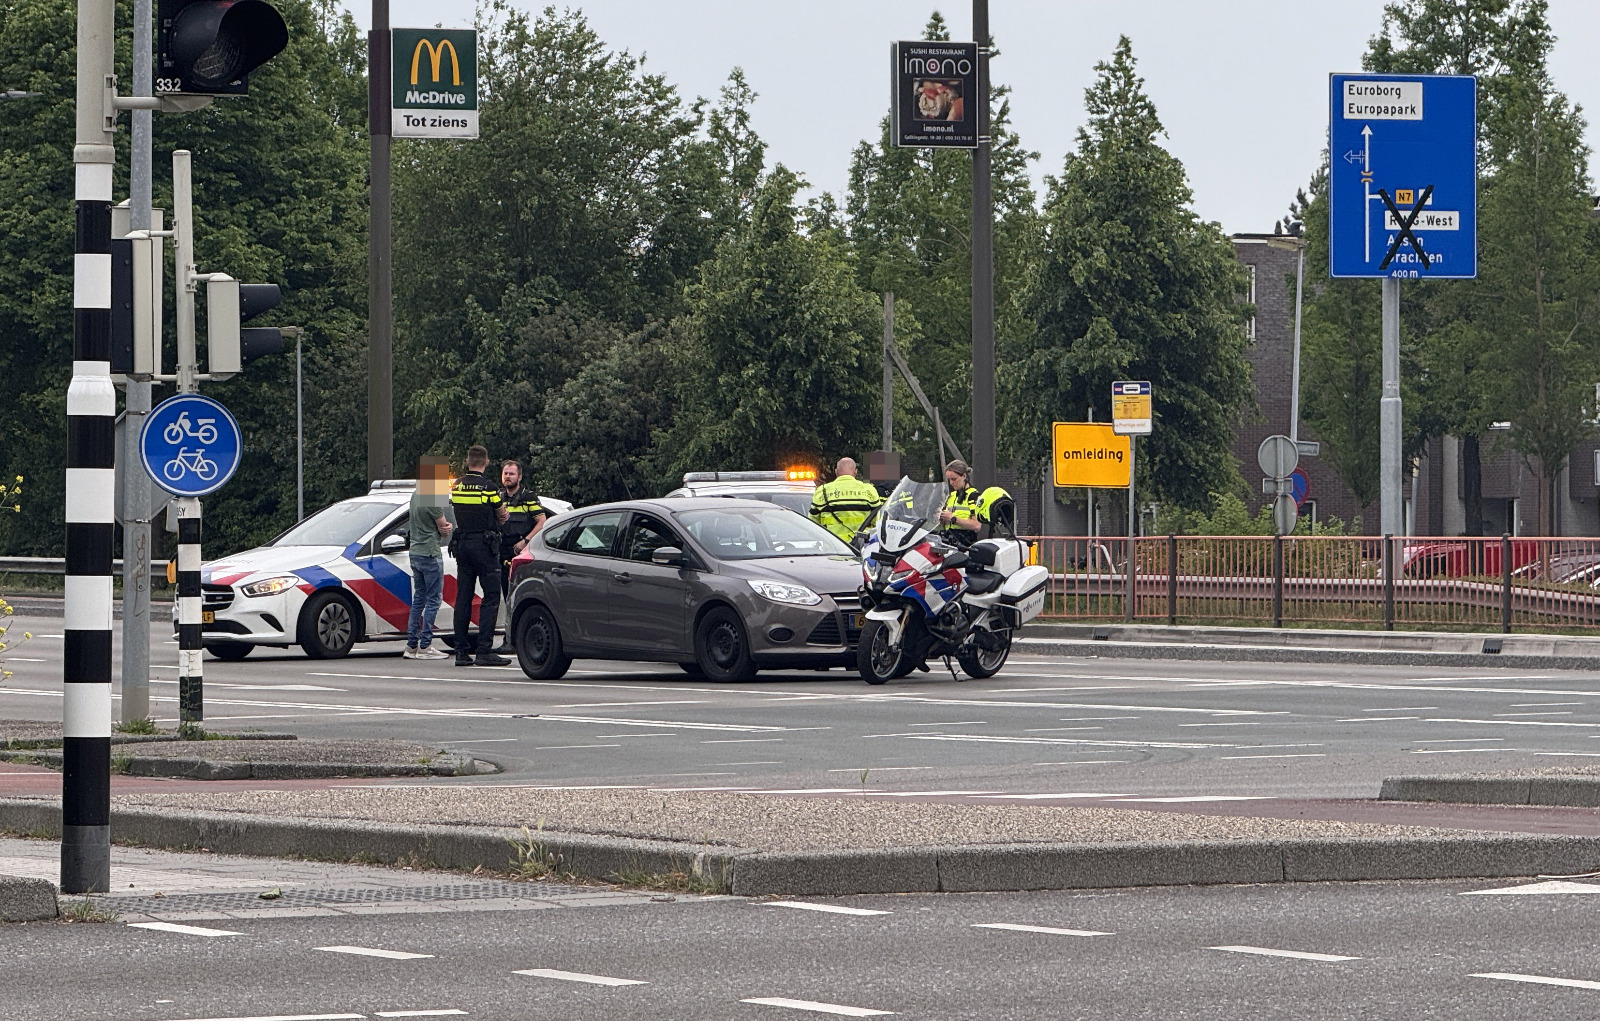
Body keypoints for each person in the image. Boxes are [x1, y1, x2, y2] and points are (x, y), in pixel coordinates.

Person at [450, 445, 509, 666]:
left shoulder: (457, 486)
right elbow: (502, 515)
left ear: (467, 461)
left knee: (463, 597)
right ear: (486, 462)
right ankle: (484, 650)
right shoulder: (488, 487)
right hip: (484, 546)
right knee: (491, 596)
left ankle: (461, 652)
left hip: (463, 545)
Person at [403, 455, 455, 660]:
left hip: (415, 552)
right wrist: (448, 527)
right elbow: (443, 527)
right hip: (430, 552)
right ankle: (425, 645)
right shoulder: (432, 497)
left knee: (419, 598)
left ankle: (411, 646)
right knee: (434, 599)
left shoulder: (415, 494)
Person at [495, 460, 547, 652]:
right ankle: (509, 640)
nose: (508, 477)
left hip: (521, 553)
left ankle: (515, 640)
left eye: (511, 473)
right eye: (505, 473)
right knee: (507, 598)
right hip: (502, 552)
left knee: (518, 598)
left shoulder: (528, 497)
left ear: (519, 476)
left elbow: (542, 521)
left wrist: (526, 541)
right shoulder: (498, 497)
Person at [809, 457, 883, 543]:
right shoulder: (869, 490)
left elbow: (812, 523)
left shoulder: (822, 491)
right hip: (860, 546)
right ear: (855, 472)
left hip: (832, 545)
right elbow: (878, 521)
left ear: (836, 472)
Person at [937, 459, 983, 548]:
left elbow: (977, 525)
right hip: (949, 540)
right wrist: (941, 518)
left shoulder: (973, 495)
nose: (951, 483)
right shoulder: (952, 495)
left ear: (964, 476)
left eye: (954, 479)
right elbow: (946, 521)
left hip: (965, 542)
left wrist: (953, 518)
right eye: (949, 479)